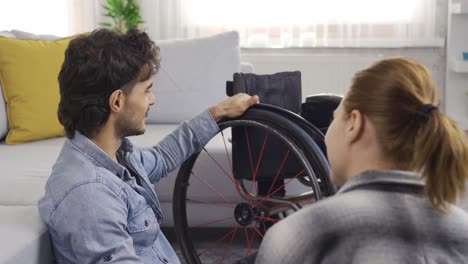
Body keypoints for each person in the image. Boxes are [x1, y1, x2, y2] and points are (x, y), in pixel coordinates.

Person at [38, 28, 259, 263]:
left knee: (284, 241)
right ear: (117, 101)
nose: (152, 100)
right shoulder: (89, 195)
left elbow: (162, 157)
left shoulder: (114, 156)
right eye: (147, 91)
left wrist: (219, 112)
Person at [255, 57, 468, 263]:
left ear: (353, 124)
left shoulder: (298, 235)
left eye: (334, 117)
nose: (328, 131)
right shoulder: (462, 230)